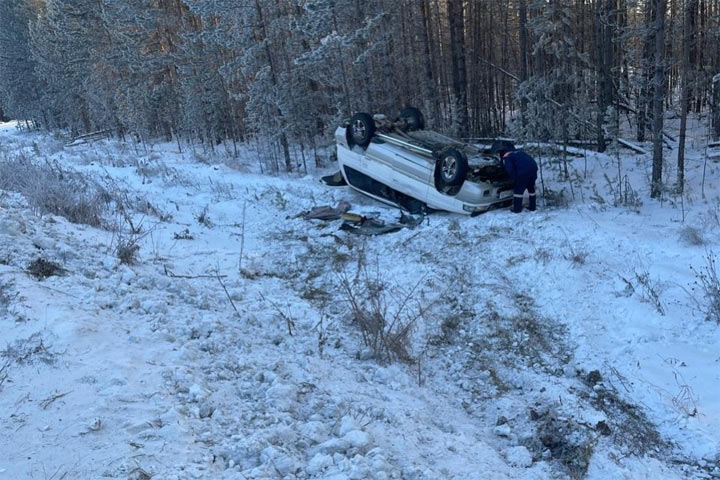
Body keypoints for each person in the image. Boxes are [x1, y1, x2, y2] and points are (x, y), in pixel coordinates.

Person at [491, 140, 538, 213]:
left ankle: (517, 209)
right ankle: (533, 207)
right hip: (533, 168)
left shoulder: (507, 156)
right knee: (531, 188)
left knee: (518, 191)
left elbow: (510, 169)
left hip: (523, 171)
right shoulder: (519, 152)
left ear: (501, 151)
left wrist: (514, 179)